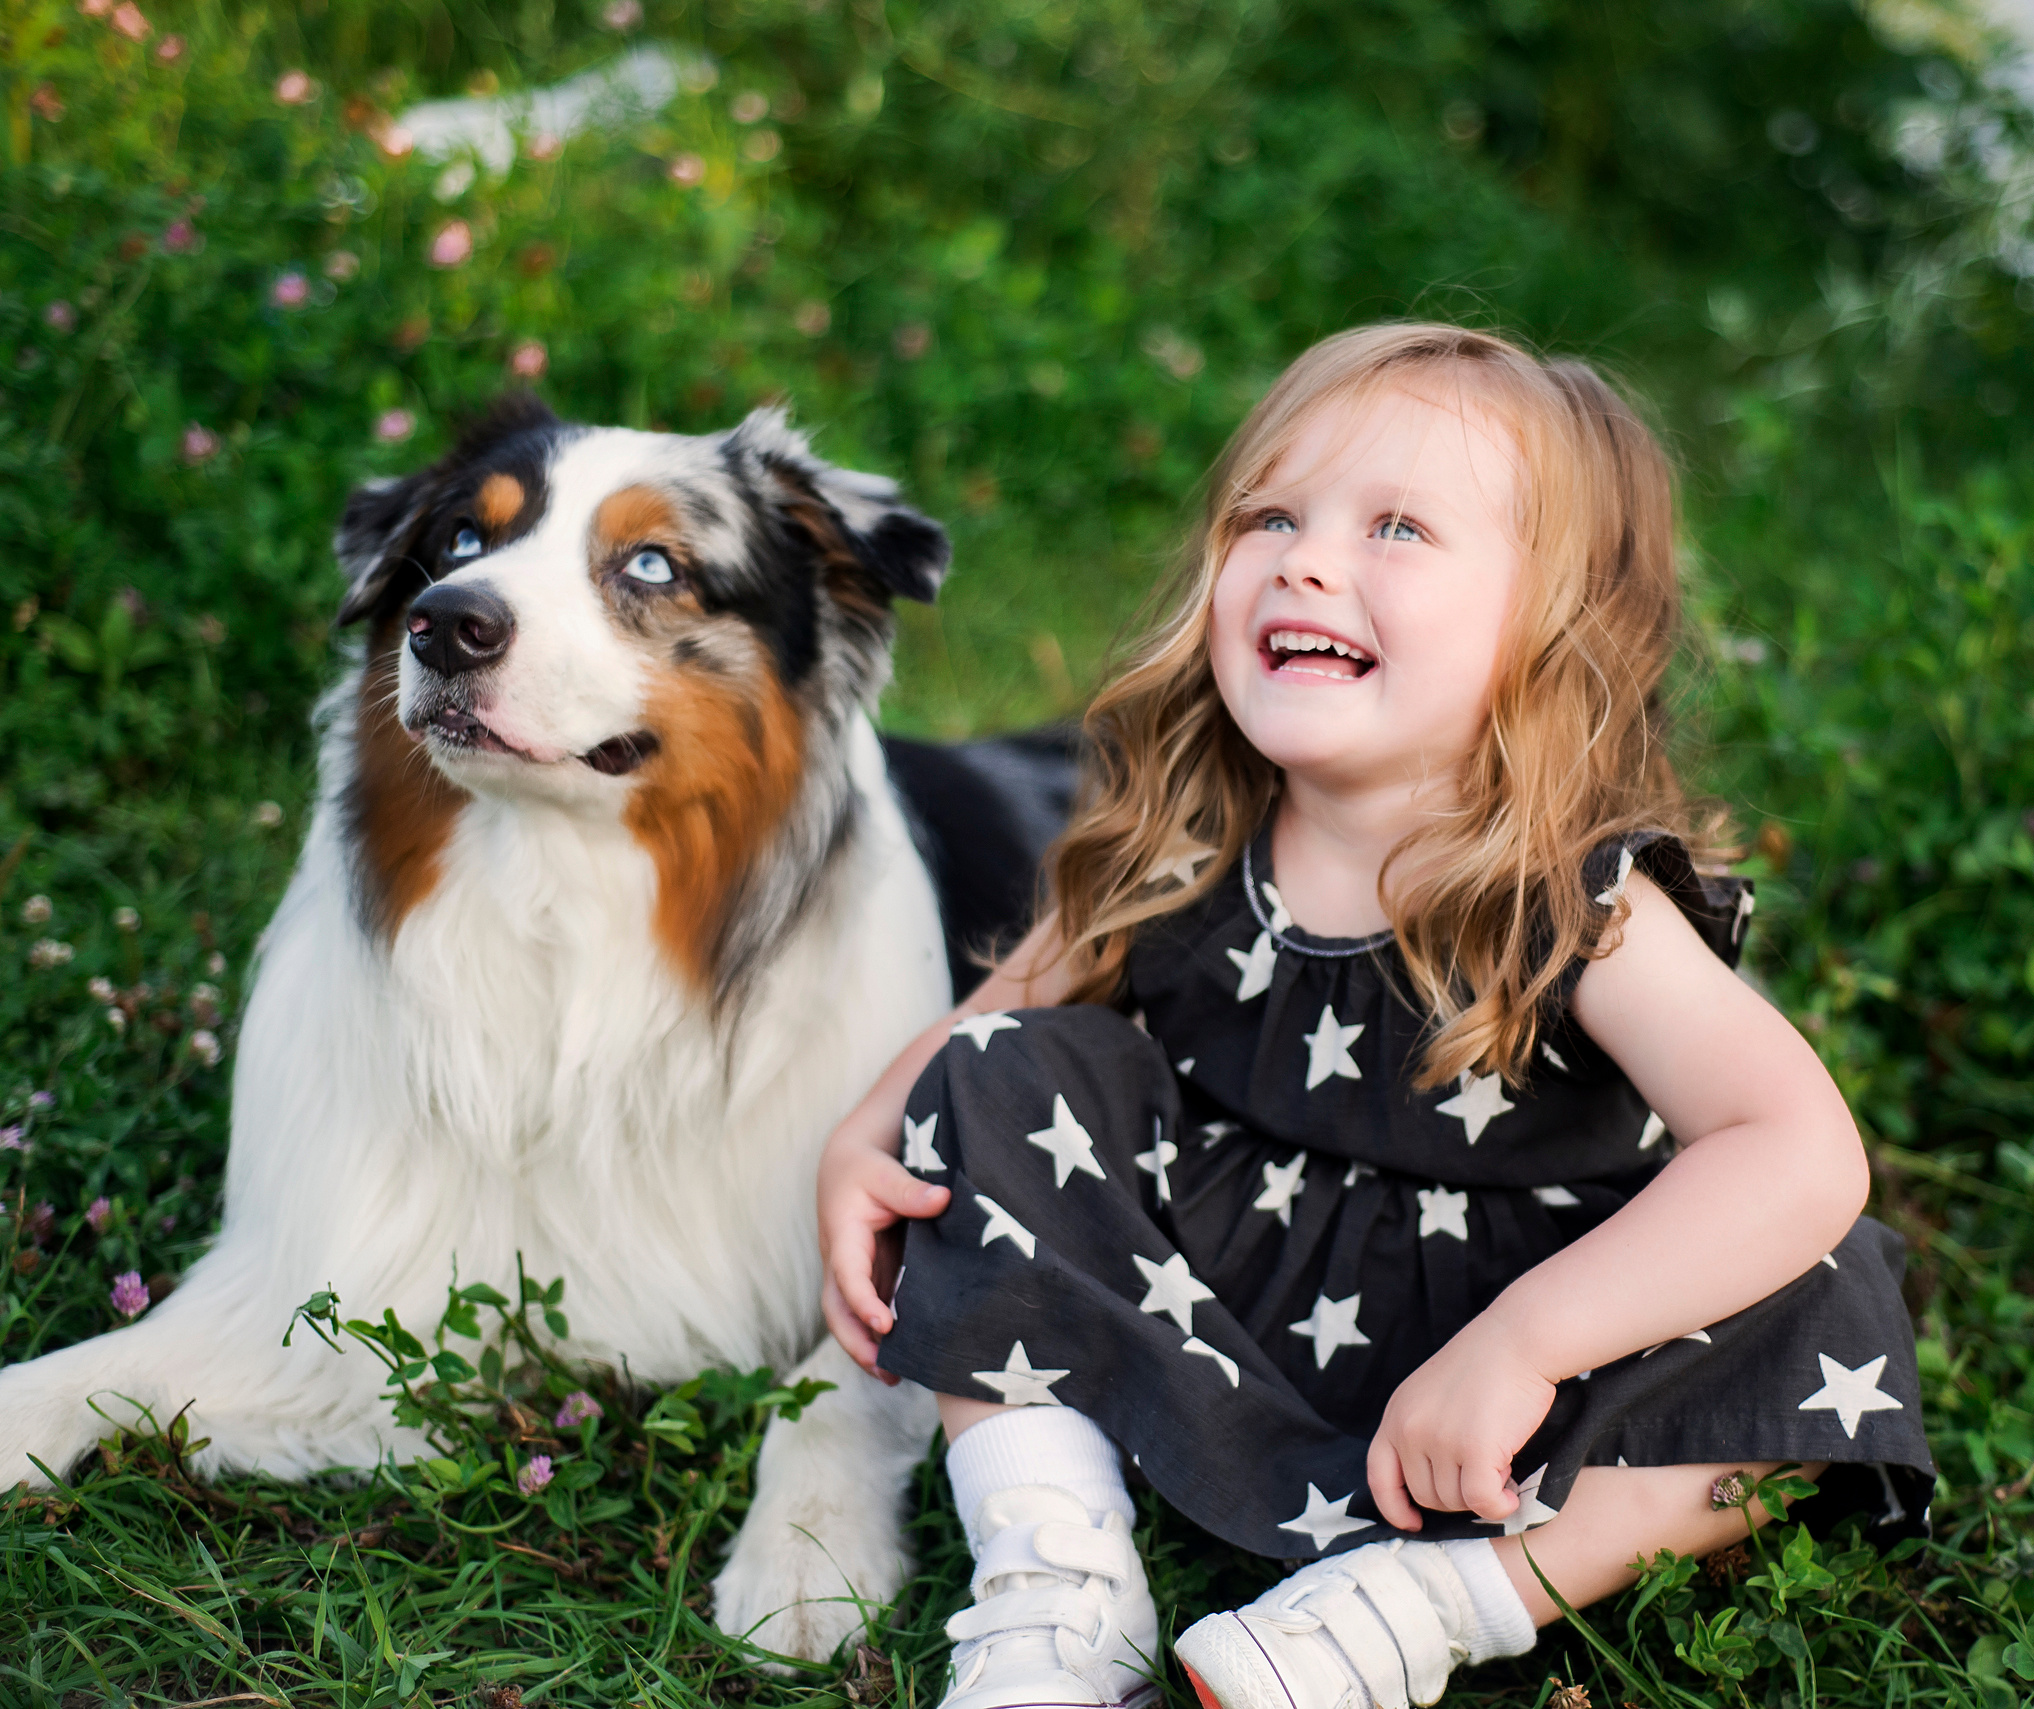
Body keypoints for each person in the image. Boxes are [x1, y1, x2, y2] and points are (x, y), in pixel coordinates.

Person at [815, 323, 1934, 1709]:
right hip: (1222, 1295)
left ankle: (1426, 1603)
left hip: (1512, 1357)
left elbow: (1801, 1146)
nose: (1304, 558)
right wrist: (866, 1135)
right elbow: (993, 1023)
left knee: (1821, 1288)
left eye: (1397, 526)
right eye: (1269, 515)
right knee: (998, 1072)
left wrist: (1527, 1342)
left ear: (1553, 618)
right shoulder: (1189, 832)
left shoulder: (1575, 897)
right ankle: (1057, 1579)